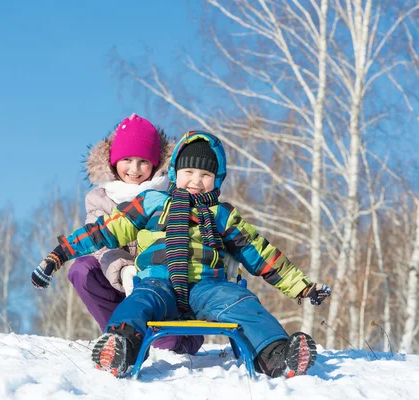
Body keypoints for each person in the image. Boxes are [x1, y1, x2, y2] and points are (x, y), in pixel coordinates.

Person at [32, 130, 331, 379]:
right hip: (157, 283)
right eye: (189, 172)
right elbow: (104, 231)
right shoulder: (152, 202)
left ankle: (276, 354)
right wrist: (59, 254)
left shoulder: (222, 215)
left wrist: (302, 286)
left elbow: (260, 254)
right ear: (175, 173)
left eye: (205, 174)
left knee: (243, 303)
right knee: (136, 304)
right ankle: (120, 347)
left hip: (208, 287)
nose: (196, 180)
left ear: (217, 179)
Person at [45, 113, 203, 355]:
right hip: (118, 282)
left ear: (156, 163)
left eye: (143, 161)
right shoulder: (100, 198)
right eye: (127, 159)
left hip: (162, 284)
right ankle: (117, 337)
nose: (135, 169)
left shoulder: (172, 194)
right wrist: (124, 271)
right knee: (82, 268)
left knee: (167, 349)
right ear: (113, 161)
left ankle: (176, 338)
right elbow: (100, 244)